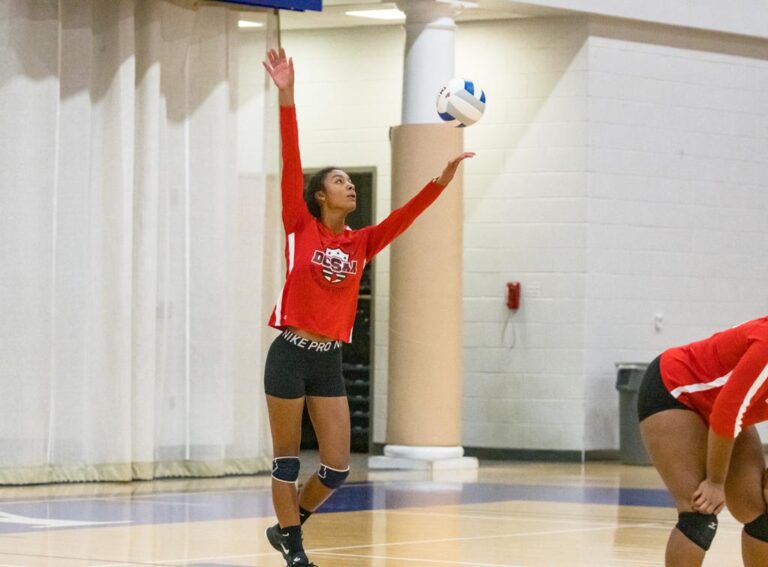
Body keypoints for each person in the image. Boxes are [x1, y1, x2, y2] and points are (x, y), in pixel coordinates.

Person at [260, 47, 474, 567]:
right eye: (338, 181)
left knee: (336, 466)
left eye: (351, 181)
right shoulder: (299, 225)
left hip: (327, 358)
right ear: (317, 196)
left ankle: (290, 524)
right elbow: (291, 156)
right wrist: (286, 94)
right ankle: (294, 548)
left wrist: (439, 181)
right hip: (289, 352)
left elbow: (405, 218)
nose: (349, 184)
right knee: (288, 461)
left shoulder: (361, 243)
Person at [638, 316, 768, 566]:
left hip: (725, 409)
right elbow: (726, 412)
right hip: (675, 388)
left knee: (761, 513)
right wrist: (715, 481)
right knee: (700, 514)